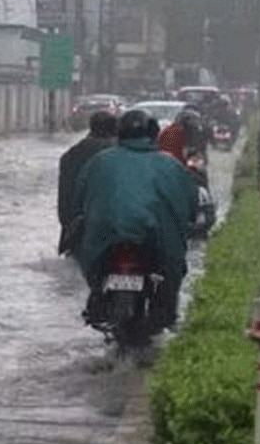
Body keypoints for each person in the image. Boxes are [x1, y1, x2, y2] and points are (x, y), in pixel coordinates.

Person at [72, 109, 199, 330]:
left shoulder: (99, 162)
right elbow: (190, 202)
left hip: (107, 239)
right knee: (173, 268)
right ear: (153, 134)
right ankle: (166, 313)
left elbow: (78, 199)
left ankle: (97, 299)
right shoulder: (171, 165)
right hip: (154, 238)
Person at [57, 111, 119, 255]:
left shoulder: (71, 154)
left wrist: (68, 229)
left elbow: (64, 196)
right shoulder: (122, 153)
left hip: (79, 226)